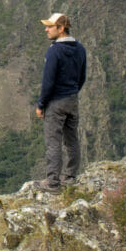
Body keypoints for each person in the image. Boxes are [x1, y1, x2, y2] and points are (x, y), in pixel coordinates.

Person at [35, 12, 87, 193]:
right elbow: (82, 77)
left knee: (53, 142)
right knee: (72, 139)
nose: (46, 29)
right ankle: (71, 176)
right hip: (72, 99)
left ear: (61, 28)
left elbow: (48, 82)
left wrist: (41, 104)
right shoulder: (80, 49)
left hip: (56, 102)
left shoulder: (54, 51)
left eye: (50, 26)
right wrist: (72, 92)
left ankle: (53, 183)